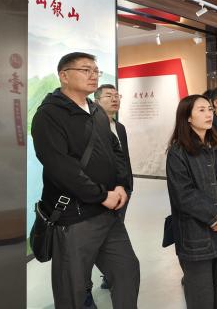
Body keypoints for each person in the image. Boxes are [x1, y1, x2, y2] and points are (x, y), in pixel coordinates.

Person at [31, 52, 139, 309]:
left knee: (127, 271)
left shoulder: (96, 111)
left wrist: (121, 184)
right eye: (85, 70)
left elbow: (116, 150)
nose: (93, 75)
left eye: (95, 70)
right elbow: (60, 167)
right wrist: (101, 195)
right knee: (73, 290)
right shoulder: (48, 115)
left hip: (108, 214)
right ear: (64, 76)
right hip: (74, 217)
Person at [166, 95, 217, 309]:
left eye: (209, 109)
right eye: (201, 110)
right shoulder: (178, 152)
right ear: (187, 117)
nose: (208, 114)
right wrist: (216, 217)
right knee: (201, 298)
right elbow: (184, 194)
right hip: (195, 236)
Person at [93, 84, 133, 290]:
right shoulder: (90, 126)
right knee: (97, 237)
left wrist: (127, 184)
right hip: (102, 193)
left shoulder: (120, 127)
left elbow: (123, 159)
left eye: (117, 95)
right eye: (109, 96)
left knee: (116, 232)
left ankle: (111, 275)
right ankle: (86, 284)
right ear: (96, 101)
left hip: (123, 189)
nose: (115, 99)